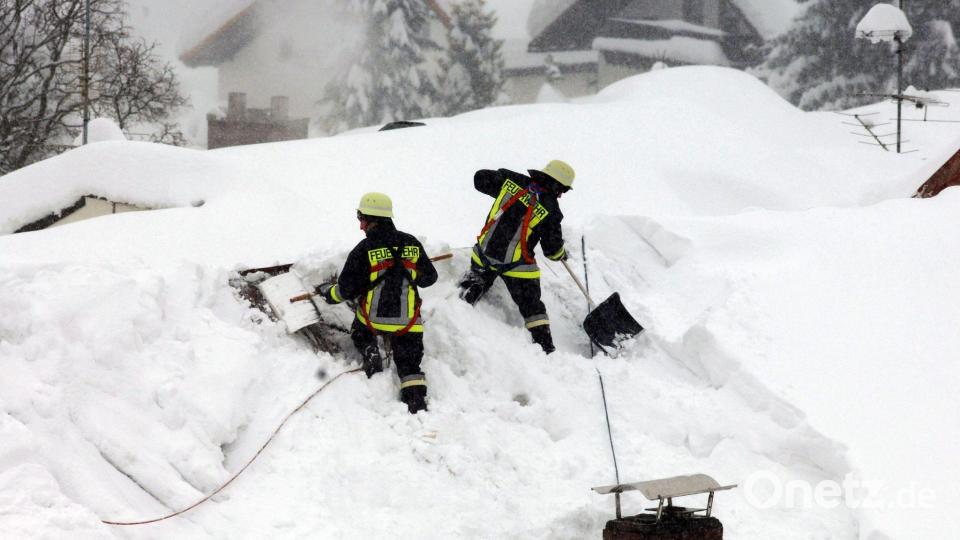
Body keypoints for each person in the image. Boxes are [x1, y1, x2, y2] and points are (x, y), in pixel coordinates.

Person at [317, 192, 438, 414]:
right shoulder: (411, 243)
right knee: (410, 364)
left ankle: (370, 349)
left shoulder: (364, 250)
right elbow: (430, 278)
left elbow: (345, 290)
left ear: (374, 220)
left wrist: (327, 293)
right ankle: (416, 402)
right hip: (408, 324)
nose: (360, 226)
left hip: (373, 321)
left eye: (361, 219)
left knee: (359, 330)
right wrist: (411, 271)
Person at [459, 160, 575, 354]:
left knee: (473, 284)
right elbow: (552, 251)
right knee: (532, 306)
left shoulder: (510, 180)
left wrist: (501, 179)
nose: (561, 194)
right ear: (556, 184)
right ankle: (546, 348)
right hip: (517, 268)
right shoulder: (552, 210)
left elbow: (479, 178)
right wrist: (561, 253)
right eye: (562, 189)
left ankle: (458, 312)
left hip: (483, 256)